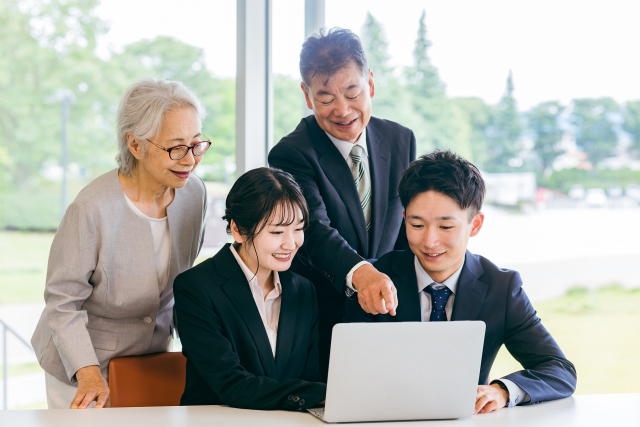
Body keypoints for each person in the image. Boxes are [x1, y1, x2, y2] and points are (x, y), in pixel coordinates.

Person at [344, 150, 577, 414]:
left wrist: (503, 390)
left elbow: (559, 370)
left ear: (475, 225)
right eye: (417, 225)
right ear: (404, 219)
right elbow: (346, 370)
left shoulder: (501, 287)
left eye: (445, 227)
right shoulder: (376, 279)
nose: (430, 241)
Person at [30, 79, 210, 409]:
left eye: (197, 144)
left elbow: (182, 281)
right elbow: (62, 301)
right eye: (175, 147)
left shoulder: (193, 194)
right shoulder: (90, 209)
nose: (189, 160)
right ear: (136, 145)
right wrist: (87, 373)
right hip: (82, 367)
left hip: (151, 359)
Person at [268, 27, 416, 380]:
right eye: (325, 98)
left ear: (371, 84)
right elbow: (315, 229)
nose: (343, 110)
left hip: (390, 316)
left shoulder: (400, 140)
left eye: (352, 92)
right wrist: (364, 275)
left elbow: (405, 230)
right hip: (322, 323)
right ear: (306, 95)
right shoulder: (291, 154)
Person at [173, 167, 326, 410]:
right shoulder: (196, 288)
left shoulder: (303, 290)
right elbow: (232, 384)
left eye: (298, 229)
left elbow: (308, 379)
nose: (291, 243)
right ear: (239, 230)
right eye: (277, 231)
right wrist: (322, 394)